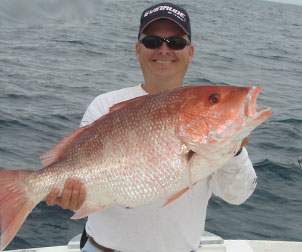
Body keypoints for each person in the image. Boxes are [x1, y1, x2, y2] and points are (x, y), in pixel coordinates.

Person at [46, 2, 257, 252]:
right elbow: (80, 184)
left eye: (176, 42)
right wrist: (72, 197)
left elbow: (237, 195)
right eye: (152, 41)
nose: (164, 49)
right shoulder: (104, 105)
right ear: (138, 50)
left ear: (191, 51)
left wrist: (234, 151)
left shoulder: (208, 123)